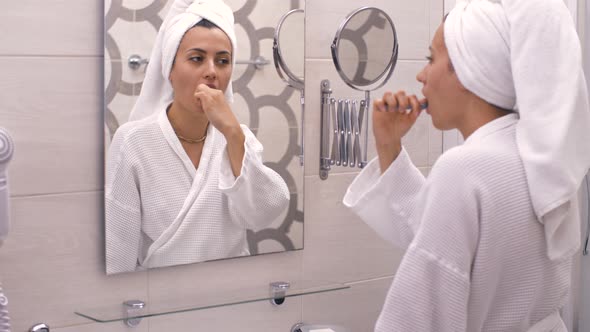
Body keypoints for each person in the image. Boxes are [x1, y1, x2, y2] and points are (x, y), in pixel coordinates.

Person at [343, 0, 590, 330]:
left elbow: (419, 316)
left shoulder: (464, 167)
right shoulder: (544, 164)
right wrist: (389, 146)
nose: (421, 75)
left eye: (432, 58)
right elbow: (447, 244)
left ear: (467, 67)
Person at [105, 0, 290, 274]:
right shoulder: (133, 142)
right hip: (159, 302)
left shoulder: (238, 138)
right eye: (197, 58)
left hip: (231, 295)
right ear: (170, 69)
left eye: (223, 61)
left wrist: (233, 134)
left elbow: (264, 213)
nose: (212, 71)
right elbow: (118, 250)